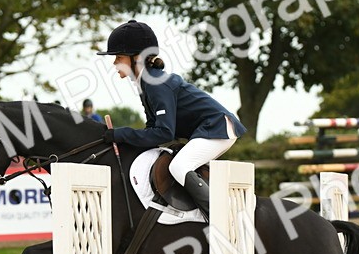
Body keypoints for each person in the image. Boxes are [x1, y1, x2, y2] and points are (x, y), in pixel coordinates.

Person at [96, 19, 247, 219]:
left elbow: (163, 133)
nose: (114, 63)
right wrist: (122, 138)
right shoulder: (146, 83)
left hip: (216, 128)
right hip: (207, 130)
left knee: (179, 166)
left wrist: (121, 134)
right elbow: (152, 129)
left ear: (137, 58)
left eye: (118, 57)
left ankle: (221, 218)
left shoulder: (156, 83)